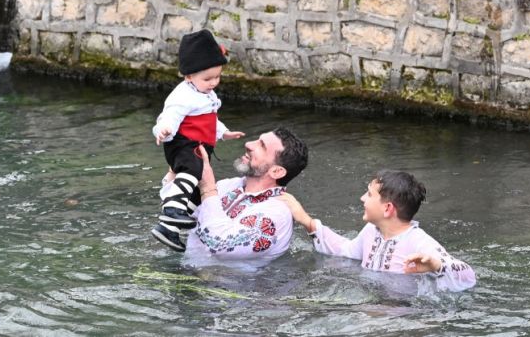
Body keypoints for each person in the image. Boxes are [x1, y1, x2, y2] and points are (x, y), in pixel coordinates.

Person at [278, 170, 476, 292]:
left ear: (387, 208)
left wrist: (436, 265)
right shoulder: (371, 231)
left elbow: (468, 276)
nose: (362, 198)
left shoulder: (419, 242)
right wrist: (307, 221)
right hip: (370, 298)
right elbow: (345, 250)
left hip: (405, 311)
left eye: (369, 194)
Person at [151, 29, 245, 251]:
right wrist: (163, 130)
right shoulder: (183, 95)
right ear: (189, 76)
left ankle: (169, 229)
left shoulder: (205, 93)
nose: (213, 83)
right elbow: (169, 116)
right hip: (183, 143)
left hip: (200, 145)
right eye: (207, 79)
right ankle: (172, 210)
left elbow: (210, 119)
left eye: (217, 77)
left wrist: (223, 133)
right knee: (192, 170)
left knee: (195, 191)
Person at [158, 127, 308, 262]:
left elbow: (219, 246)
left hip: (229, 284)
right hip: (189, 271)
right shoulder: (229, 185)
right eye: (257, 140)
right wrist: (181, 162)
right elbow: (179, 212)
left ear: (276, 171)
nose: (249, 144)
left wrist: (207, 189)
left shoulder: (276, 215)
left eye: (262, 146)